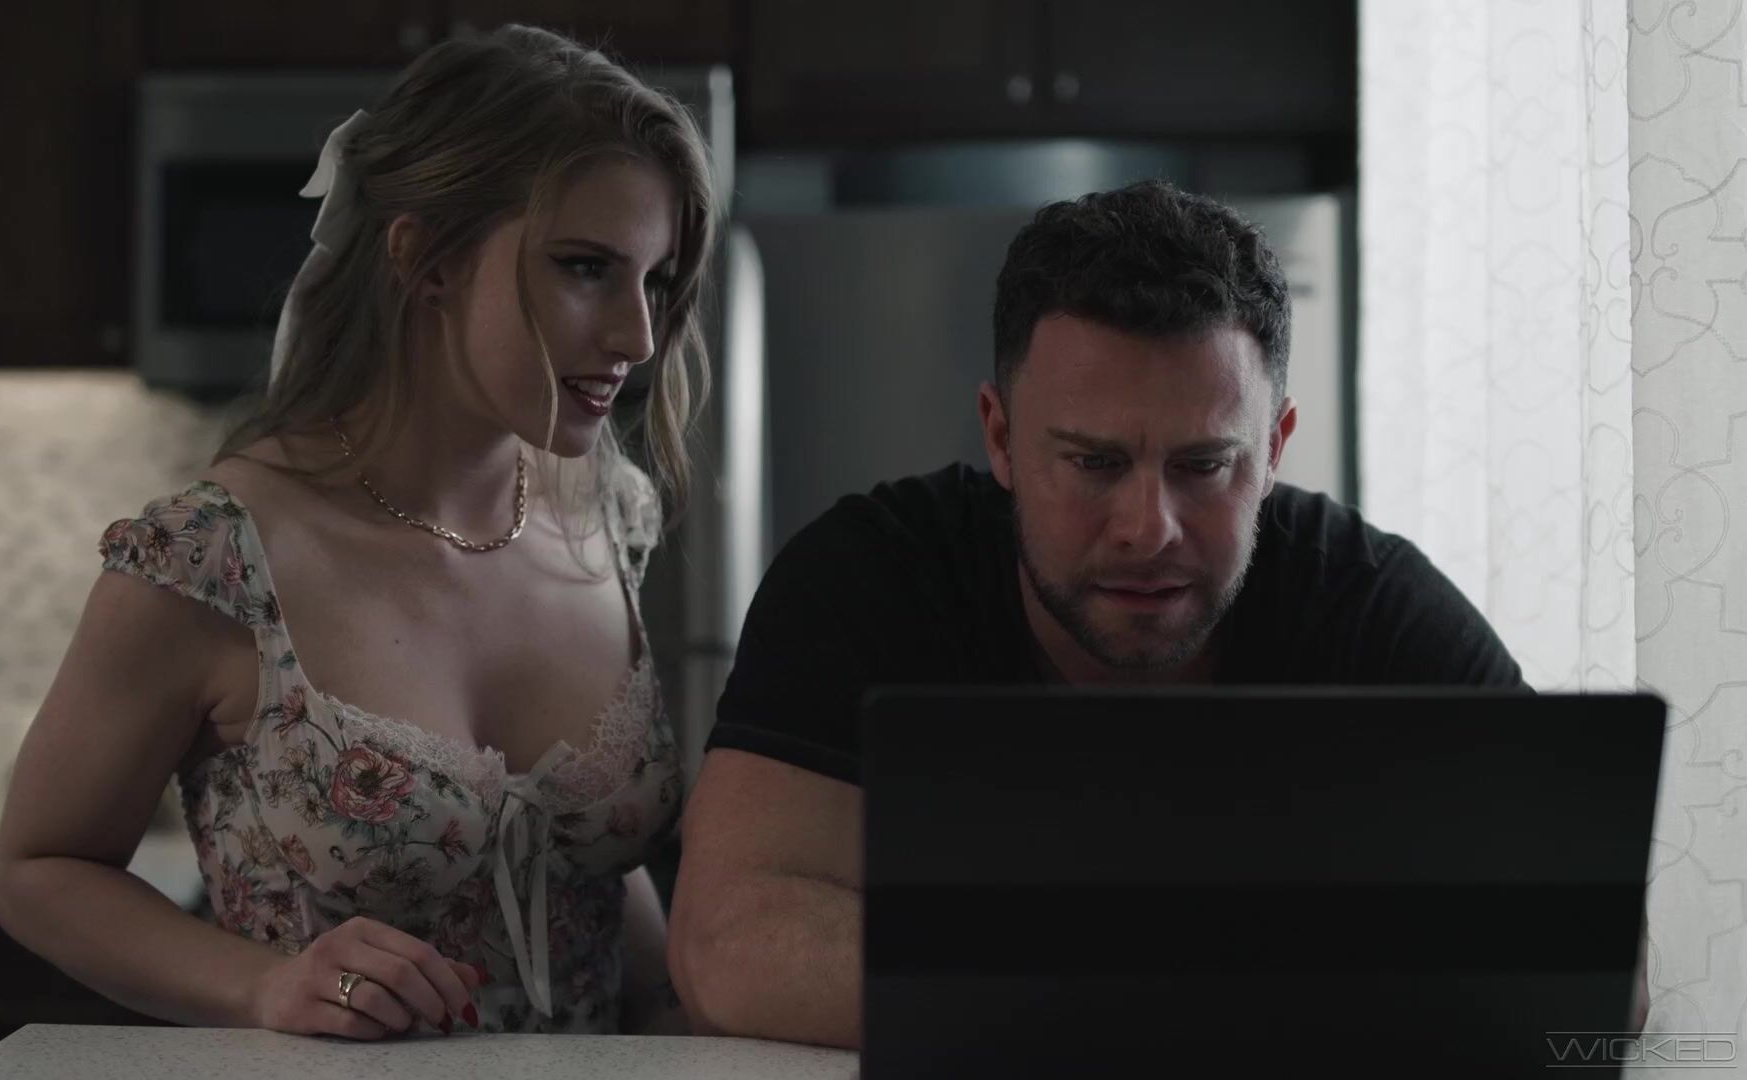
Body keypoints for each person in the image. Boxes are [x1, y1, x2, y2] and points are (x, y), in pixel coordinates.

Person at [666, 179, 1650, 1048]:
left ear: (1275, 447)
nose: (1150, 528)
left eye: (1204, 465)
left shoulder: (1366, 602)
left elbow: (1598, 966)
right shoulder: (871, 577)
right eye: (1094, 463)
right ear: (1000, 438)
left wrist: (1065, 980)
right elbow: (724, 947)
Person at [0, 25, 718, 1039]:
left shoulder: (607, 516)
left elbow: (576, 866)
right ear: (425, 259)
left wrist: (684, 1010)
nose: (638, 335)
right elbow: (38, 870)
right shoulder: (213, 559)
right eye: (587, 267)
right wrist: (260, 986)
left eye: (656, 279)